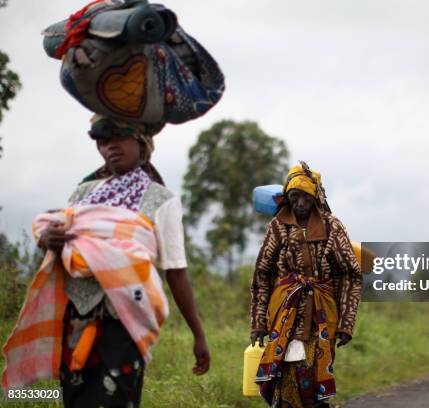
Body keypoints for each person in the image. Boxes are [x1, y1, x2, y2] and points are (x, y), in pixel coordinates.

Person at [2, 116, 210, 407]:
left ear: (141, 141)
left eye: (119, 137)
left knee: (118, 398)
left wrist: (198, 335)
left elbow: (176, 271)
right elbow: (66, 245)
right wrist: (47, 239)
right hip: (76, 315)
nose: (110, 146)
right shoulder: (83, 194)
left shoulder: (161, 200)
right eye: (102, 140)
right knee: (77, 399)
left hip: (126, 319)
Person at [249, 162, 362, 408]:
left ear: (316, 198)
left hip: (321, 314)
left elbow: (350, 275)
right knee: (283, 374)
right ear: (287, 197)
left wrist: (346, 322)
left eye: (306, 198)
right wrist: (258, 323)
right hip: (283, 312)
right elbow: (262, 274)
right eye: (294, 197)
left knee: (310, 373)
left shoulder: (332, 227)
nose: (300, 204)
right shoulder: (278, 226)